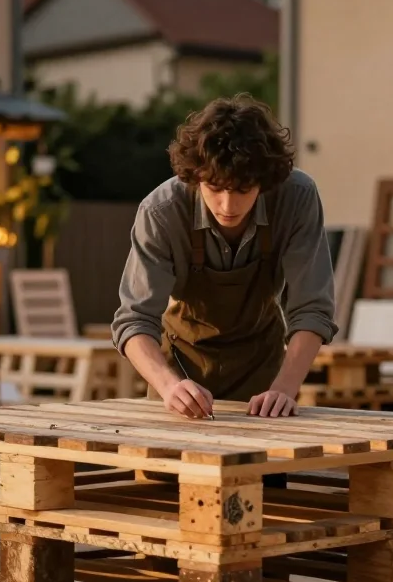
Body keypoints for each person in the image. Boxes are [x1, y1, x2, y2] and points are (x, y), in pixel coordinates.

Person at [111, 94, 337, 419]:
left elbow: (313, 308)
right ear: (194, 175)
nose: (228, 207)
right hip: (182, 370)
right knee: (167, 468)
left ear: (266, 181)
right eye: (214, 188)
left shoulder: (296, 197)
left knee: (264, 469)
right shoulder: (161, 211)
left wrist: (285, 389)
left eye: (243, 190)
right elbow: (134, 320)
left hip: (263, 369)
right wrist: (168, 386)